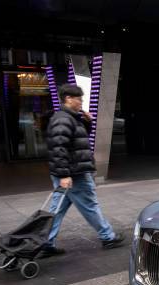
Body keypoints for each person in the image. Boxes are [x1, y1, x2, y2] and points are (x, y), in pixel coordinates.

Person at [42, 84, 125, 257]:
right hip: (74, 174)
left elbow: (76, 140)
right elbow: (59, 148)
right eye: (79, 99)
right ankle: (108, 236)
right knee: (90, 205)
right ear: (68, 99)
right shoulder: (63, 119)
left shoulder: (70, 118)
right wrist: (64, 174)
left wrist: (87, 122)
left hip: (70, 173)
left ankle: (45, 243)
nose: (81, 102)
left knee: (56, 210)